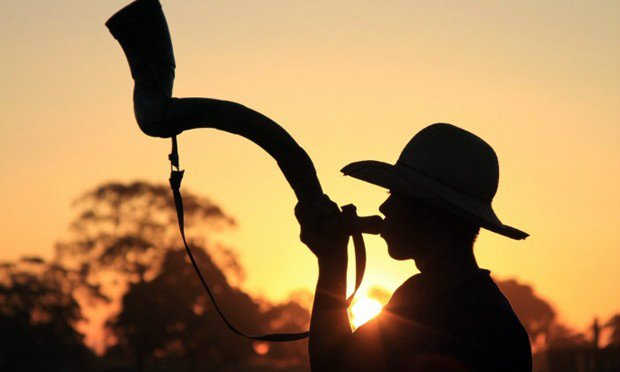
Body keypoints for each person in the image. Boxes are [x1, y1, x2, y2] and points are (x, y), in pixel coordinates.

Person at [295, 123, 532, 372]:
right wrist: (332, 260)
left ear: (435, 215)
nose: (384, 208)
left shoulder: (489, 327)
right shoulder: (414, 295)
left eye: (398, 195)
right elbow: (338, 365)